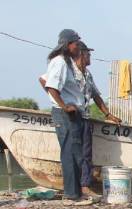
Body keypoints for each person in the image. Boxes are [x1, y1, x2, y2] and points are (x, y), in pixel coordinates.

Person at [41, 41, 122, 197]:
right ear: (81, 54)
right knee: (72, 152)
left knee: (84, 153)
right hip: (70, 114)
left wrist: (108, 114)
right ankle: (79, 188)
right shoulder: (67, 67)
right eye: (88, 54)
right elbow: (45, 81)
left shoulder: (87, 74)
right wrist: (61, 103)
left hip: (83, 116)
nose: (90, 56)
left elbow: (96, 95)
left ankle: (82, 186)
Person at [43, 29, 86, 201]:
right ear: (68, 44)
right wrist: (64, 106)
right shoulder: (60, 61)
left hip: (73, 114)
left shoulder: (67, 62)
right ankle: (71, 194)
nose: (78, 47)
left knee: (75, 152)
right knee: (69, 153)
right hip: (64, 114)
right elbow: (51, 87)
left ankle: (75, 193)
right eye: (76, 44)